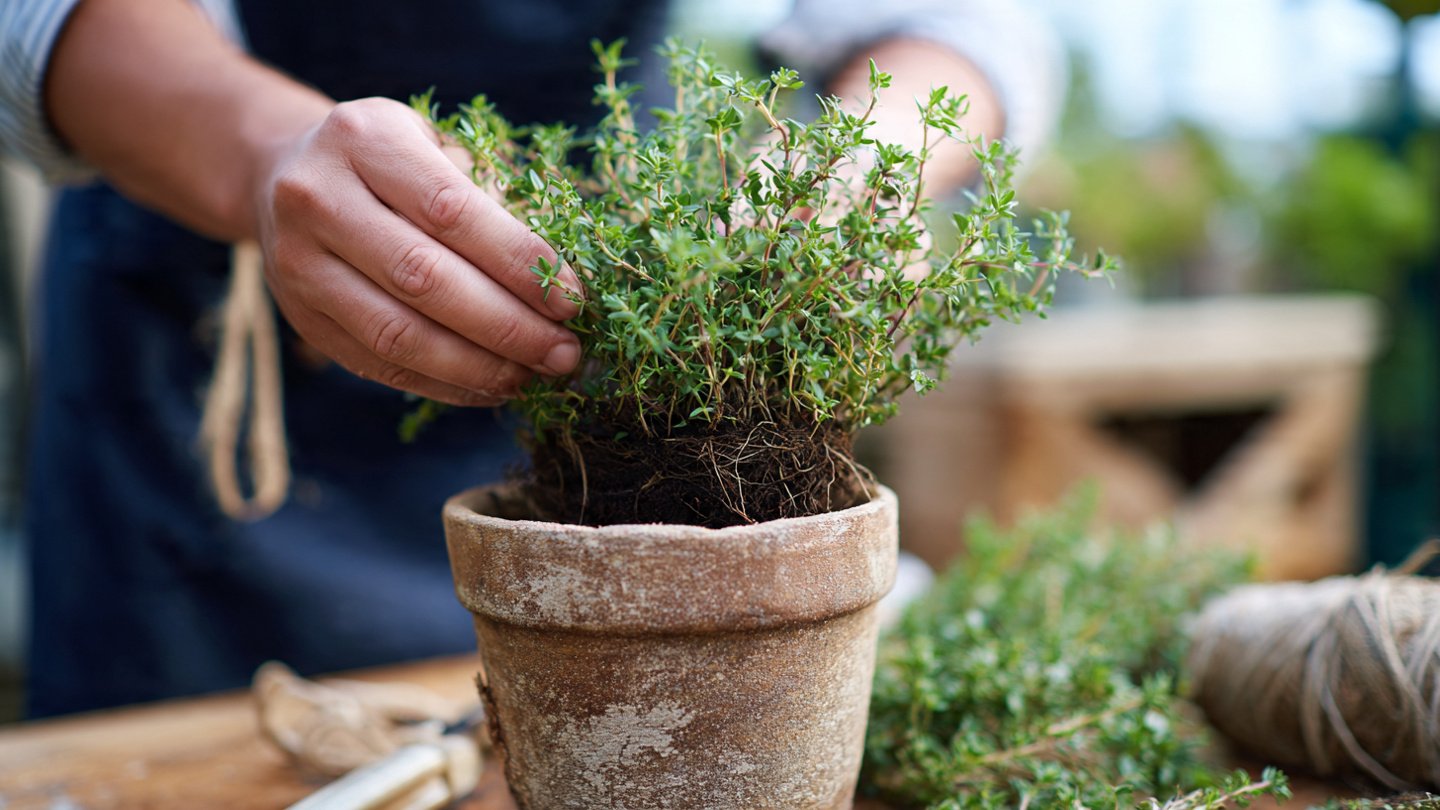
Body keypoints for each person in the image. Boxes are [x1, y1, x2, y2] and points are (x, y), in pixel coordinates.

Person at [0, 0, 1060, 717]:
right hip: (194, 344)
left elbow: (964, 22)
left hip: (604, 274)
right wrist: (261, 153)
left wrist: (857, 165)